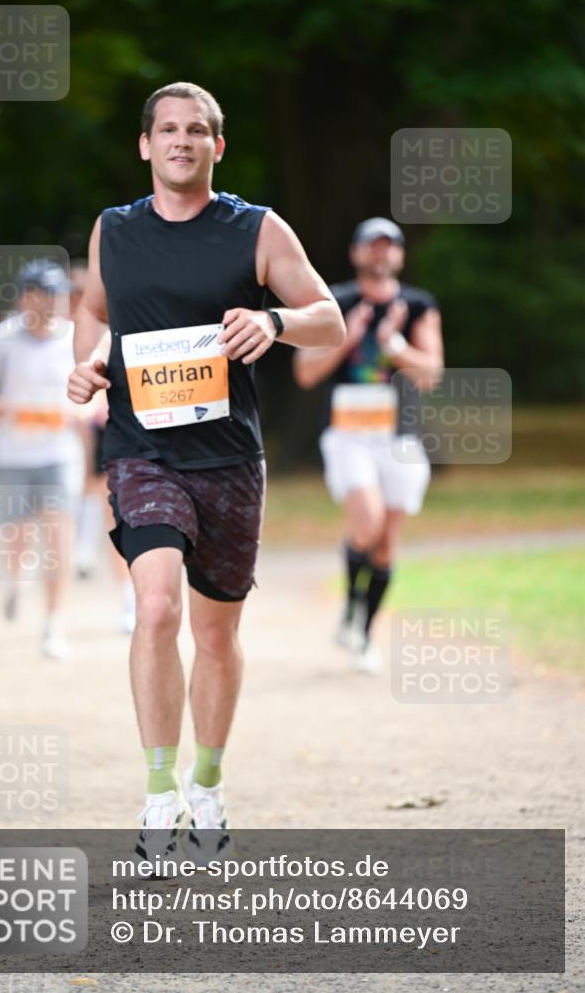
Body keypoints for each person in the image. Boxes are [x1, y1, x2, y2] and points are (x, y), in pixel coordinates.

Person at [67, 81, 344, 859]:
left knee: (215, 634)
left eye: (197, 130)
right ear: (145, 145)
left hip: (227, 458)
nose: (181, 140)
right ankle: (158, 795)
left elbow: (331, 318)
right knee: (155, 607)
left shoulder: (255, 229)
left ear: (216, 146)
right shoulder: (114, 232)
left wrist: (273, 319)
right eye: (167, 129)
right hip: (139, 449)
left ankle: (208, 782)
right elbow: (92, 309)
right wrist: (88, 361)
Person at [294, 217, 444, 673]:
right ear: (357, 253)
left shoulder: (417, 305)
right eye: (372, 247)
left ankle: (361, 629)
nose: (381, 254)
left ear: (399, 255)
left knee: (386, 543)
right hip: (347, 434)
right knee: (369, 520)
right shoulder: (335, 302)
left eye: (390, 247)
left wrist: (392, 344)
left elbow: (431, 374)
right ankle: (353, 604)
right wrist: (349, 339)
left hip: (398, 436)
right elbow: (305, 373)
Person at [0, 259, 82, 660]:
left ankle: (54, 623)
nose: (53, 301)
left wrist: (80, 411)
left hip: (59, 452)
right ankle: (16, 578)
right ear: (26, 296)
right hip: (12, 454)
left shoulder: (76, 338)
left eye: (58, 293)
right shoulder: (2, 339)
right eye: (45, 293)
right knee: (17, 537)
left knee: (58, 534)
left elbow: (95, 392)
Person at [70, 260, 136, 632]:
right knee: (108, 507)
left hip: (145, 434)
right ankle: (127, 597)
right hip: (103, 428)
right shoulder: (91, 333)